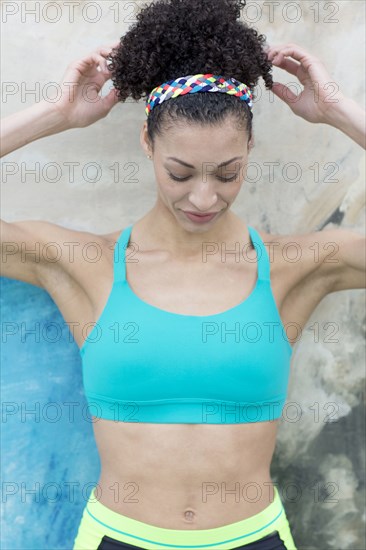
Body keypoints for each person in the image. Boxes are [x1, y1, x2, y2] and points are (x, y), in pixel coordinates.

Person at [1, 0, 365, 548]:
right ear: (147, 144)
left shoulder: (293, 268)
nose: (203, 196)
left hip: (256, 536)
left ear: (250, 149)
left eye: (227, 173)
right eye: (180, 172)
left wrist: (339, 111)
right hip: (116, 537)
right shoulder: (86, 265)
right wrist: (54, 113)